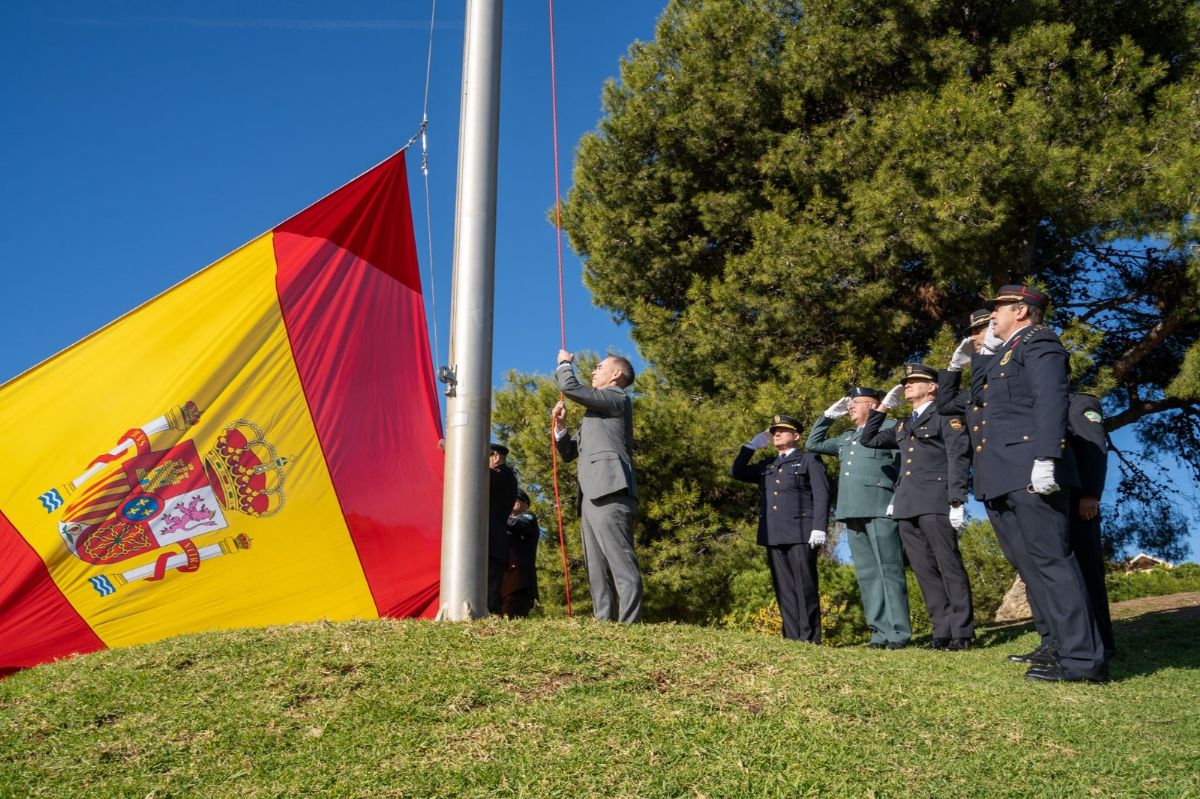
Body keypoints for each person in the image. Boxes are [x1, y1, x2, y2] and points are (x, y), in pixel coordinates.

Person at [976, 284, 1107, 683]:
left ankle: (1084, 661)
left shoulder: (1040, 341)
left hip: (1029, 466)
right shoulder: (1002, 355)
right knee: (1032, 566)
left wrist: (1047, 457)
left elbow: (1052, 400)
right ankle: (1060, 648)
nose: (991, 315)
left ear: (1021, 309)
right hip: (1003, 472)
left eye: (997, 308)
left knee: (1053, 562)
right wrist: (978, 355)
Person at [861, 363, 974, 650]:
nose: (906, 385)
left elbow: (958, 455)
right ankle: (942, 632)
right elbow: (869, 439)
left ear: (932, 387)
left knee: (948, 565)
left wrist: (957, 499)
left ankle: (961, 632)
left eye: (913, 381)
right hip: (906, 504)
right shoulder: (903, 424)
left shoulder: (945, 415)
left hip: (936, 500)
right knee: (924, 570)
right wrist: (883, 408)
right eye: (905, 382)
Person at [807, 388, 912, 649]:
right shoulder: (847, 437)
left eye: (855, 403)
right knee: (867, 574)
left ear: (873, 404)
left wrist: (895, 500)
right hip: (852, 509)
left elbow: (904, 466)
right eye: (849, 404)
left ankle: (898, 633)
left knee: (889, 571)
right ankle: (879, 633)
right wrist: (828, 416)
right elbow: (813, 444)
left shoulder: (890, 427)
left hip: (880, 507)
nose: (850, 408)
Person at [551, 350, 643, 623]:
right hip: (592, 493)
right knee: (596, 567)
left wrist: (565, 364)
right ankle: (603, 623)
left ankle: (630, 625)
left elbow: (570, 387)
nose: (593, 371)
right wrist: (562, 427)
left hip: (611, 488)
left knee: (620, 561)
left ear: (616, 375)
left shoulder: (617, 397)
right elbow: (569, 452)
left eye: (599, 367)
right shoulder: (597, 412)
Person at [732, 414, 830, 643]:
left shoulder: (808, 460)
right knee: (784, 588)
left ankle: (810, 638)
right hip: (774, 533)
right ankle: (792, 637)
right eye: (774, 431)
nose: (777, 434)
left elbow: (822, 494)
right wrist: (750, 447)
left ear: (796, 436)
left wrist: (819, 527)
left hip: (801, 531)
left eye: (783, 430)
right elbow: (736, 472)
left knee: (804, 585)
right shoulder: (768, 465)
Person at [1066, 393, 1115, 660]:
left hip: (1079, 501)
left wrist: (1090, 494)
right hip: (1053, 502)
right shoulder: (1038, 404)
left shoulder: (1079, 403)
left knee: (1088, 571)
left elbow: (1095, 447)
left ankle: (1104, 643)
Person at [486, 443, 519, 616]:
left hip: (492, 542)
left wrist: (451, 451)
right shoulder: (501, 476)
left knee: (490, 590)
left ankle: (491, 617)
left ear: (496, 457)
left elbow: (475, 473)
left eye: (488, 456)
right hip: (492, 542)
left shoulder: (504, 476)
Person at [500, 488, 540, 618]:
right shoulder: (504, 524)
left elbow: (517, 524)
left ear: (525, 504)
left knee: (514, 617)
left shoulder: (528, 518)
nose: (512, 501)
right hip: (504, 581)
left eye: (516, 499)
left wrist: (497, 515)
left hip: (519, 584)